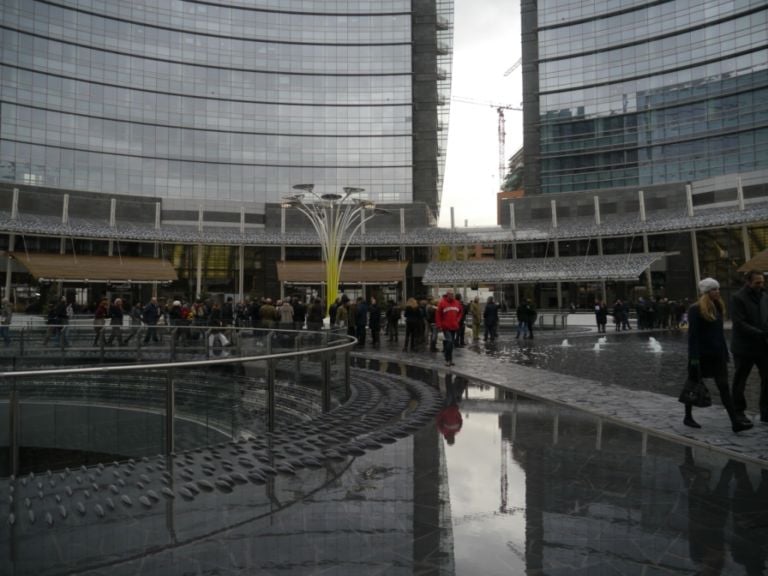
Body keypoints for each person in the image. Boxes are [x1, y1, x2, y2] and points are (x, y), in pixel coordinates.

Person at [684, 278, 752, 433]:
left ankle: (735, 422)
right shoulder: (695, 309)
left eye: (718, 289)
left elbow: (719, 335)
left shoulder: (718, 307)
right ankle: (687, 416)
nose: (718, 292)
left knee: (724, 387)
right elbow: (693, 336)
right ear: (706, 292)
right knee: (693, 386)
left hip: (717, 356)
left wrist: (724, 352)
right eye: (714, 289)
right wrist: (694, 358)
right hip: (701, 356)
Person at [730, 270, 768, 424]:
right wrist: (761, 333)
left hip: (763, 347)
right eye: (757, 282)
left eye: (762, 282)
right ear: (748, 282)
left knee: (767, 379)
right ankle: (738, 412)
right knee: (740, 380)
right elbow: (739, 323)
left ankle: (766, 412)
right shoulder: (737, 298)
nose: (760, 285)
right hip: (744, 347)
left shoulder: (765, 296)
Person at [435, 289, 462, 367]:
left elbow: (460, 312)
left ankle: (450, 359)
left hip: (454, 326)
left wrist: (458, 320)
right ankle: (447, 359)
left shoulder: (457, 303)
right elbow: (438, 315)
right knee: (449, 342)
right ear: (447, 294)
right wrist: (439, 325)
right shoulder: (442, 303)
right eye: (450, 294)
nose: (452, 295)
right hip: (446, 327)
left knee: (451, 343)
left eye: (453, 294)